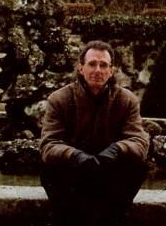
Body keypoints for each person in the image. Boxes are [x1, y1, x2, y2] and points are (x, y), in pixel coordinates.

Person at [40, 40, 149, 226]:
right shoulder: (59, 99)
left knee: (138, 166)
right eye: (92, 64)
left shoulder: (127, 100)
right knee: (49, 169)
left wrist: (116, 149)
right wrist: (74, 155)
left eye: (103, 65)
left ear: (111, 71)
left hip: (108, 171)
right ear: (81, 68)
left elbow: (139, 141)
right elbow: (48, 144)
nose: (97, 70)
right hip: (74, 173)